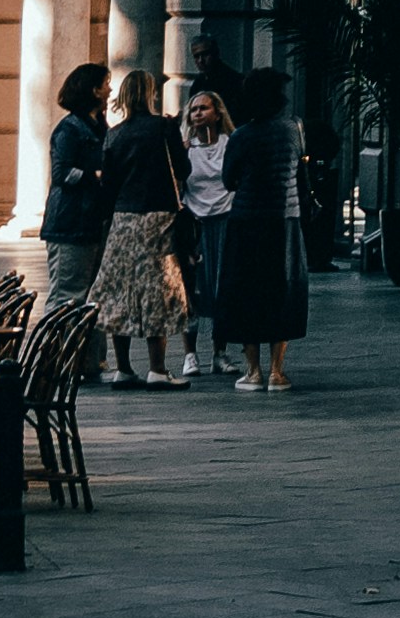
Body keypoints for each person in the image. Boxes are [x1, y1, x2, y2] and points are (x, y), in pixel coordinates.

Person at [87, 69, 190, 385]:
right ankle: (157, 369)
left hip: (124, 218)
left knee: (121, 290)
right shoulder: (164, 127)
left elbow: (109, 184)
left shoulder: (114, 134)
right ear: (150, 94)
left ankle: (123, 368)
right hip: (158, 216)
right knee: (157, 289)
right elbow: (184, 168)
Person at [214, 66, 310, 395]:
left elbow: (229, 180)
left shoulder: (242, 135)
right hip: (286, 220)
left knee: (246, 292)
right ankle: (277, 372)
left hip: (246, 221)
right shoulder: (293, 130)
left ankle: (252, 372)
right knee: (281, 291)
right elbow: (300, 172)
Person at [35, 61, 110, 309]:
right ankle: (53, 349)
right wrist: (96, 176)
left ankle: (87, 350)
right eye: (106, 84)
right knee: (65, 298)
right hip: (69, 225)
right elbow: (61, 173)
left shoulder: (100, 127)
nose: (110, 90)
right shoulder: (70, 129)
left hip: (92, 224)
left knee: (91, 300)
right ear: (93, 90)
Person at [176, 86, 236, 385]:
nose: (198, 113)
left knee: (221, 288)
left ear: (217, 112)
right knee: (193, 290)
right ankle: (190, 354)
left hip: (224, 220)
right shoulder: (185, 148)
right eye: (194, 109)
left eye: (204, 108)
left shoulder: (229, 143)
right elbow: (178, 185)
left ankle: (219, 353)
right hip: (195, 222)